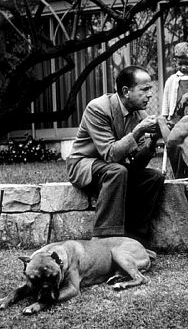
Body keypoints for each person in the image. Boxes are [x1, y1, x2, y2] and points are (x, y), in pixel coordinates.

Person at [66, 65, 165, 246]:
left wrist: (153, 142)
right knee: (116, 171)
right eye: (144, 89)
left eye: (150, 89)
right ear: (126, 91)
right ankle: (105, 240)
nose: (150, 94)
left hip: (115, 167)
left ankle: (135, 239)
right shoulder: (97, 109)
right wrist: (138, 132)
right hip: (84, 164)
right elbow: (110, 154)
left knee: (154, 177)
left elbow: (136, 165)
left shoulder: (140, 115)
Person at [161, 42, 188, 178]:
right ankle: (178, 173)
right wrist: (165, 116)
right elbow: (166, 99)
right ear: (175, 63)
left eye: (187, 63)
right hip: (176, 119)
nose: (184, 67)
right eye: (180, 64)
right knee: (176, 146)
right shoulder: (172, 80)